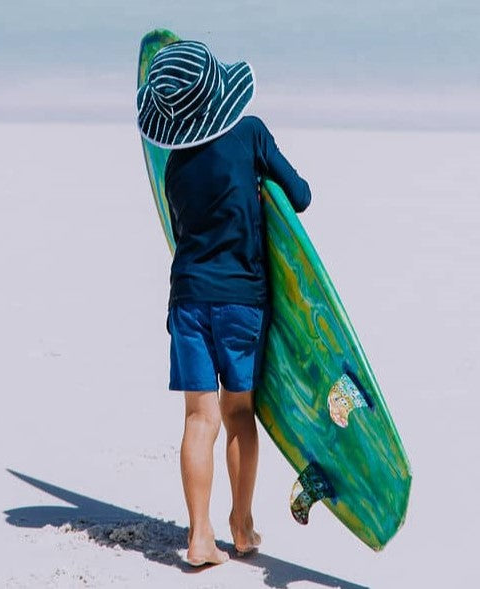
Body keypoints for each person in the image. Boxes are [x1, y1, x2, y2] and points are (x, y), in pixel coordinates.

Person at [137, 39, 311, 566]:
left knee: (198, 420)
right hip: (241, 301)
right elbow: (299, 196)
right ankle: (242, 525)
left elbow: (182, 230)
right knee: (238, 415)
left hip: (187, 299)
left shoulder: (173, 167)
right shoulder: (250, 133)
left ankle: (198, 537)